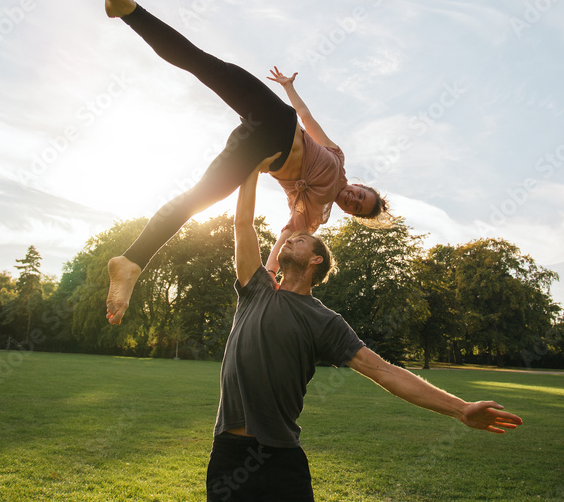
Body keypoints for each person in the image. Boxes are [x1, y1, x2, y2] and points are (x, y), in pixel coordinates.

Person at [80, 0, 389, 325]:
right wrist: (288, 87)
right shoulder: (337, 156)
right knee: (203, 64)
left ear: (351, 214)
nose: (353, 200)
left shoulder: (315, 215)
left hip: (257, 151)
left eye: (357, 208)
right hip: (277, 116)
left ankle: (131, 261)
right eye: (360, 195)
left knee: (197, 199)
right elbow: (307, 118)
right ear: (360, 185)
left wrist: (270, 275)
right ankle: (129, 10)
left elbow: (288, 236)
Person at [206, 164, 523, 501]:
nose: (288, 240)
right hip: (229, 453)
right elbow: (243, 224)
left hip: (281, 459)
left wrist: (460, 409)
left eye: (299, 240)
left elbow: (384, 372)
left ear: (315, 261)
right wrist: (252, 165)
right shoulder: (257, 289)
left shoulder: (324, 321)